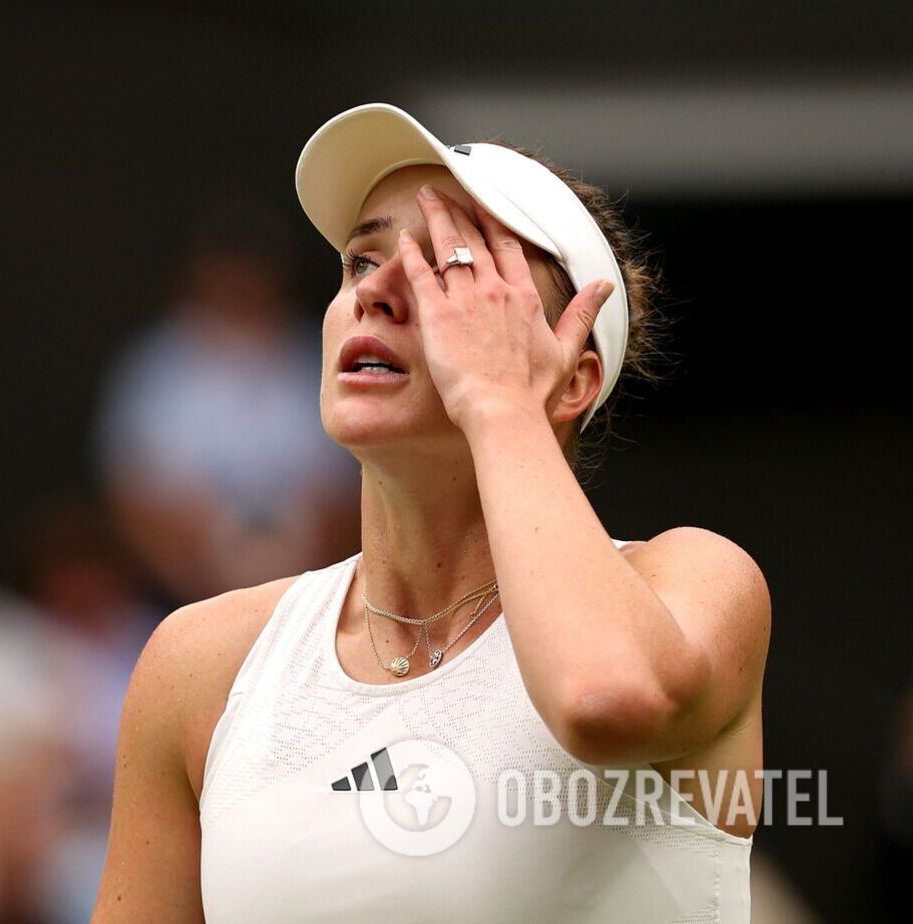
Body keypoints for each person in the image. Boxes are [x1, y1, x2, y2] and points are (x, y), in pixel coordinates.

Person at [95, 104, 766, 920]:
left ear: (574, 378)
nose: (376, 291)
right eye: (361, 260)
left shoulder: (698, 581)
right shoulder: (199, 663)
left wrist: (500, 400)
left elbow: (604, 699)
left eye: (452, 272)